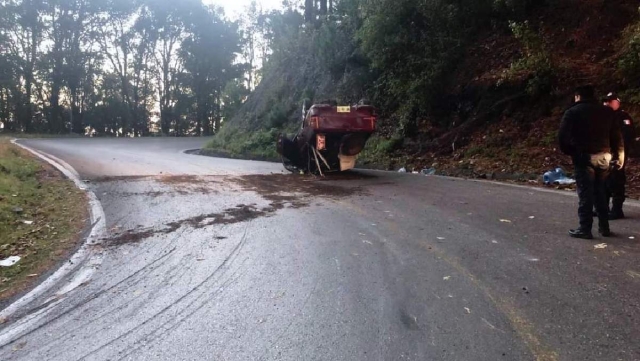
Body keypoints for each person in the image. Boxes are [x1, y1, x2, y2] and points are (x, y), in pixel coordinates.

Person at [558, 85, 624, 239]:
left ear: (578, 96)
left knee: (586, 193)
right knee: (600, 192)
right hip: (604, 157)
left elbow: (562, 138)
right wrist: (619, 155)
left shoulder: (572, 112)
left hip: (584, 156)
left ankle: (585, 228)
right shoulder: (608, 112)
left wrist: (572, 151)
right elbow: (616, 136)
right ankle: (604, 227)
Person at [602, 93, 636, 219]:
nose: (607, 104)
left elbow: (627, 136)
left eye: (610, 102)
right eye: (606, 102)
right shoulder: (603, 117)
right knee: (603, 181)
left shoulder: (623, 117)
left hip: (617, 154)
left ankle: (617, 209)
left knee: (616, 180)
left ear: (617, 103)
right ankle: (603, 208)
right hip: (604, 153)